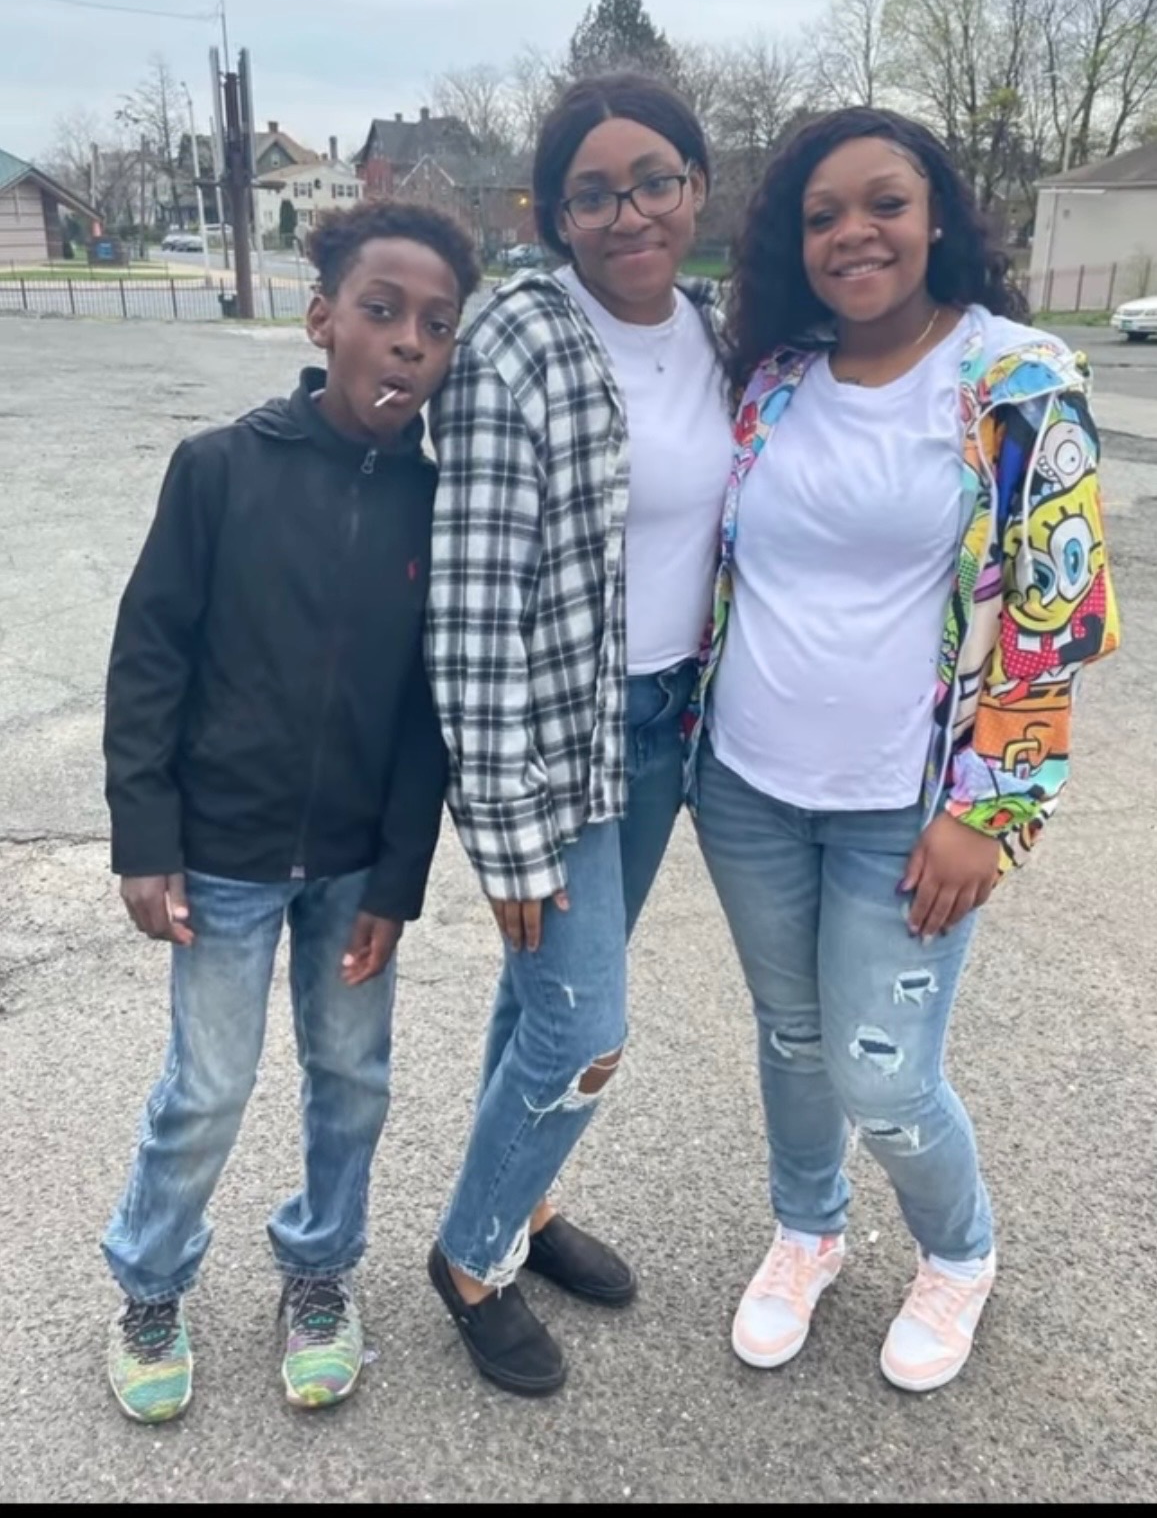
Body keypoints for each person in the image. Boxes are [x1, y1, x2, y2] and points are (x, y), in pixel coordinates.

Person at [689, 106, 1119, 1393]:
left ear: (937, 216)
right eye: (821, 215)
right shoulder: (774, 379)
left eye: (883, 203)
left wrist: (990, 808)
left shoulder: (1016, 380)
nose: (853, 233)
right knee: (790, 1038)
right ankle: (805, 1232)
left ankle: (957, 1252)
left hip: (909, 801)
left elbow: (1052, 616)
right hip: (746, 785)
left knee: (881, 1074)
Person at [101, 199, 479, 1423]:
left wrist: (396, 880)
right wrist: (145, 836)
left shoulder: (439, 506)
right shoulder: (219, 469)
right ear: (321, 320)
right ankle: (151, 1279)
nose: (409, 341)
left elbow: (428, 713)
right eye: (382, 310)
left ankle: (319, 1269)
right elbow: (149, 655)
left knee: (351, 1077)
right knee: (208, 1086)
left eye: (436, 324)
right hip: (222, 851)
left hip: (355, 865)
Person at [425, 73, 733, 1395]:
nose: (628, 213)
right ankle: (469, 1255)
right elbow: (469, 606)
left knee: (535, 1001)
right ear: (554, 214)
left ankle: (526, 1200)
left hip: (666, 725)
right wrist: (501, 829)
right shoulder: (518, 342)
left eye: (653, 180)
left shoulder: (716, 329)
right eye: (592, 194)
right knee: (584, 1026)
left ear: (695, 186)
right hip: (558, 745)